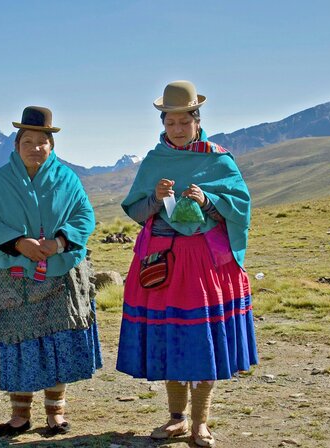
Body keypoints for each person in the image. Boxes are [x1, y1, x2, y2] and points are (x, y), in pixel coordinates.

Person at [116, 81, 258, 446]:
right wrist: (155, 198)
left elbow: (240, 205)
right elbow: (134, 209)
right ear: (162, 124)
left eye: (184, 122)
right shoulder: (154, 161)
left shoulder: (217, 158)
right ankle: (176, 418)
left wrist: (209, 199)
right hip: (162, 261)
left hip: (204, 263)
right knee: (171, 335)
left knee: (201, 337)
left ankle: (201, 423)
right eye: (170, 123)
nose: (177, 130)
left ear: (197, 120)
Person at [0, 106, 102, 438]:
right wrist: (18, 243)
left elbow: (84, 216)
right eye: (28, 141)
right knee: (19, 344)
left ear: (52, 145)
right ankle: (19, 416)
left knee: (55, 342)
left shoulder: (67, 179)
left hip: (58, 275)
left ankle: (56, 415)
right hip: (11, 276)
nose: (36, 148)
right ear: (17, 145)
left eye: (42, 141)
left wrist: (59, 242)